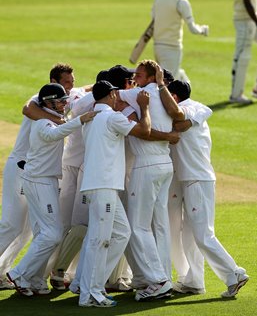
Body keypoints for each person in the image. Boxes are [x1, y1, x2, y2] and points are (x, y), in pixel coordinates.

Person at [155, 69, 249, 298]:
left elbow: (180, 121)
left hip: (198, 179)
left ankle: (234, 273)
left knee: (202, 234)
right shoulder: (196, 107)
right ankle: (194, 280)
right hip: (189, 179)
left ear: (174, 98)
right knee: (187, 235)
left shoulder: (186, 110)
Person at [6, 83, 96, 297]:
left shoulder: (50, 118)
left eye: (66, 100)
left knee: (42, 233)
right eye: (60, 100)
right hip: (38, 182)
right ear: (48, 102)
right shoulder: (42, 122)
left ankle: (34, 280)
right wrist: (79, 120)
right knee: (52, 234)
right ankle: (18, 273)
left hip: (45, 181)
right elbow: (54, 135)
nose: (65, 103)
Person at [69, 80, 151, 308]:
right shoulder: (112, 117)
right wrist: (144, 107)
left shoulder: (92, 118)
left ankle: (87, 284)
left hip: (101, 185)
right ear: (112, 94)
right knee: (99, 239)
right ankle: (90, 294)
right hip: (103, 185)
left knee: (121, 233)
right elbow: (144, 131)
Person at [0, 63, 73, 290]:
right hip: (22, 167)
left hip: (35, 170)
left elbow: (87, 90)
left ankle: (5, 272)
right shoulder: (40, 98)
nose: (70, 88)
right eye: (66, 83)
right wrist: (62, 123)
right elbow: (27, 109)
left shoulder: (63, 100)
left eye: (72, 83)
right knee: (12, 223)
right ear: (53, 81)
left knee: (28, 231)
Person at [118, 60, 183, 302]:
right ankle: (161, 275)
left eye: (139, 75)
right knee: (159, 225)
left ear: (148, 77)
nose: (135, 79)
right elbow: (177, 115)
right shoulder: (162, 94)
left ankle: (157, 280)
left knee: (138, 226)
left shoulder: (139, 93)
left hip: (146, 165)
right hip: (166, 164)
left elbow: (110, 95)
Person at [151, 0, 209, 81]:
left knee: (174, 76)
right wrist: (202, 30)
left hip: (157, 46)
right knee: (169, 82)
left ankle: (187, 92)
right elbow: (192, 28)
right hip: (172, 47)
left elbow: (153, 20)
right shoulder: (181, 2)